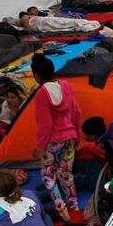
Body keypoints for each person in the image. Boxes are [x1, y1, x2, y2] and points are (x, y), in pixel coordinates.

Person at [31, 54, 82, 216]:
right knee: (65, 174)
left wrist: (39, 146)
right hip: (69, 137)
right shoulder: (65, 85)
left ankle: (63, 211)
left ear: (37, 76)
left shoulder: (42, 94)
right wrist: (77, 135)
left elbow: (45, 124)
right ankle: (74, 207)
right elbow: (76, 112)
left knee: (48, 175)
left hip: (53, 141)